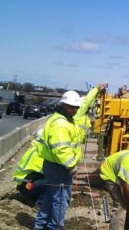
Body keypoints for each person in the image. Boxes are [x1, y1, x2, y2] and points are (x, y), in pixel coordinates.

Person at [34, 90, 83, 230]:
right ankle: (55, 227)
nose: (75, 110)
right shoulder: (61, 124)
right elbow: (60, 149)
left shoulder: (63, 119)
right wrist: (72, 165)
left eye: (77, 107)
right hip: (59, 167)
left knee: (50, 197)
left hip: (55, 166)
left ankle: (41, 225)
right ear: (63, 105)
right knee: (61, 200)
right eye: (72, 107)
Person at [13, 129, 46, 207]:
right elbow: (47, 172)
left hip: (23, 183)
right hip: (26, 186)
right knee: (53, 181)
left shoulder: (35, 148)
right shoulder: (40, 152)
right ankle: (40, 205)